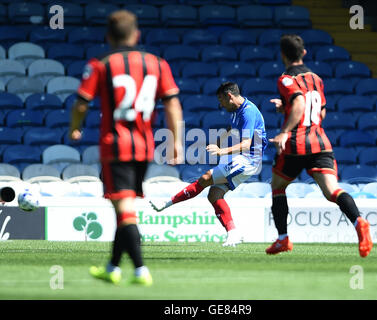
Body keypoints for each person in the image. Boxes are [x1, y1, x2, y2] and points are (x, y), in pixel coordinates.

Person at [69, 10, 184, 285]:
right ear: (136, 35)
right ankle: (111, 268)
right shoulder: (157, 63)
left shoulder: (100, 64)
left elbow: (82, 101)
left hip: (115, 146)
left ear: (108, 37)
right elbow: (171, 102)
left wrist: (76, 125)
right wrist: (177, 140)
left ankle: (141, 270)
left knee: (125, 211)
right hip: (144, 147)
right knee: (124, 208)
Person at [266, 34, 373, 258]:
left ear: (283, 55)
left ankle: (283, 239)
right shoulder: (316, 78)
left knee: (277, 186)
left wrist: (285, 131)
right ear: (304, 53)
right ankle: (359, 222)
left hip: (296, 143)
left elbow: (299, 102)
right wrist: (285, 106)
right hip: (321, 141)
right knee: (332, 190)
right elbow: (320, 111)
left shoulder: (285, 79)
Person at [150, 81, 267, 247]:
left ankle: (166, 203)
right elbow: (232, 126)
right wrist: (221, 139)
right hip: (241, 158)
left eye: (221, 100)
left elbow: (246, 144)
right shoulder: (236, 109)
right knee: (214, 195)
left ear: (229, 96)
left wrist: (221, 151)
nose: (220, 105)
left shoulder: (247, 113)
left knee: (206, 178)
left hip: (248, 159)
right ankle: (233, 233)